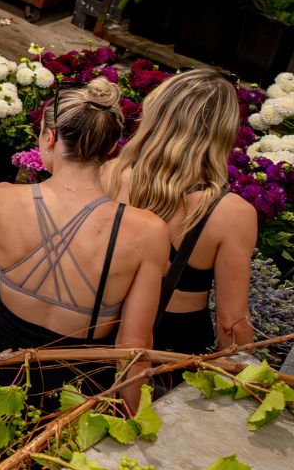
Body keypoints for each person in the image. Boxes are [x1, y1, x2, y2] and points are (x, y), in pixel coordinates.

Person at [0, 79, 171, 416]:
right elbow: (133, 346)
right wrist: (129, 422)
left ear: (49, 138)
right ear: (111, 149)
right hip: (73, 394)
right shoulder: (148, 232)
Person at [106, 68, 260, 355]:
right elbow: (231, 323)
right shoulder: (230, 214)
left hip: (101, 334)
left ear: (157, 113)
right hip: (175, 353)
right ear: (224, 132)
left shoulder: (112, 174)